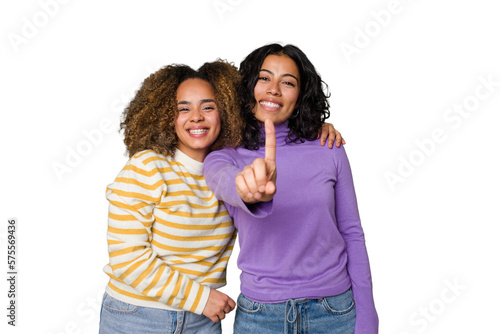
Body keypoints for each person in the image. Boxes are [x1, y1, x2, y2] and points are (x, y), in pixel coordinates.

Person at [99, 59, 344, 333]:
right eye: (183, 109)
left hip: (202, 321)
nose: (196, 117)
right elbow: (127, 258)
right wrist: (201, 299)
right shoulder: (147, 167)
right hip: (138, 317)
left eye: (208, 107)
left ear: (225, 112)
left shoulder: (232, 169)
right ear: (165, 116)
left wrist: (314, 129)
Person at [203, 44, 378, 333]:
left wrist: (368, 316)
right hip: (260, 316)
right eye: (264, 78)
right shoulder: (224, 153)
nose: (274, 89)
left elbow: (352, 232)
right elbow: (223, 180)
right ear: (247, 87)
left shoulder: (328, 147)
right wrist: (250, 190)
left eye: (288, 82)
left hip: (334, 311)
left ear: (300, 97)